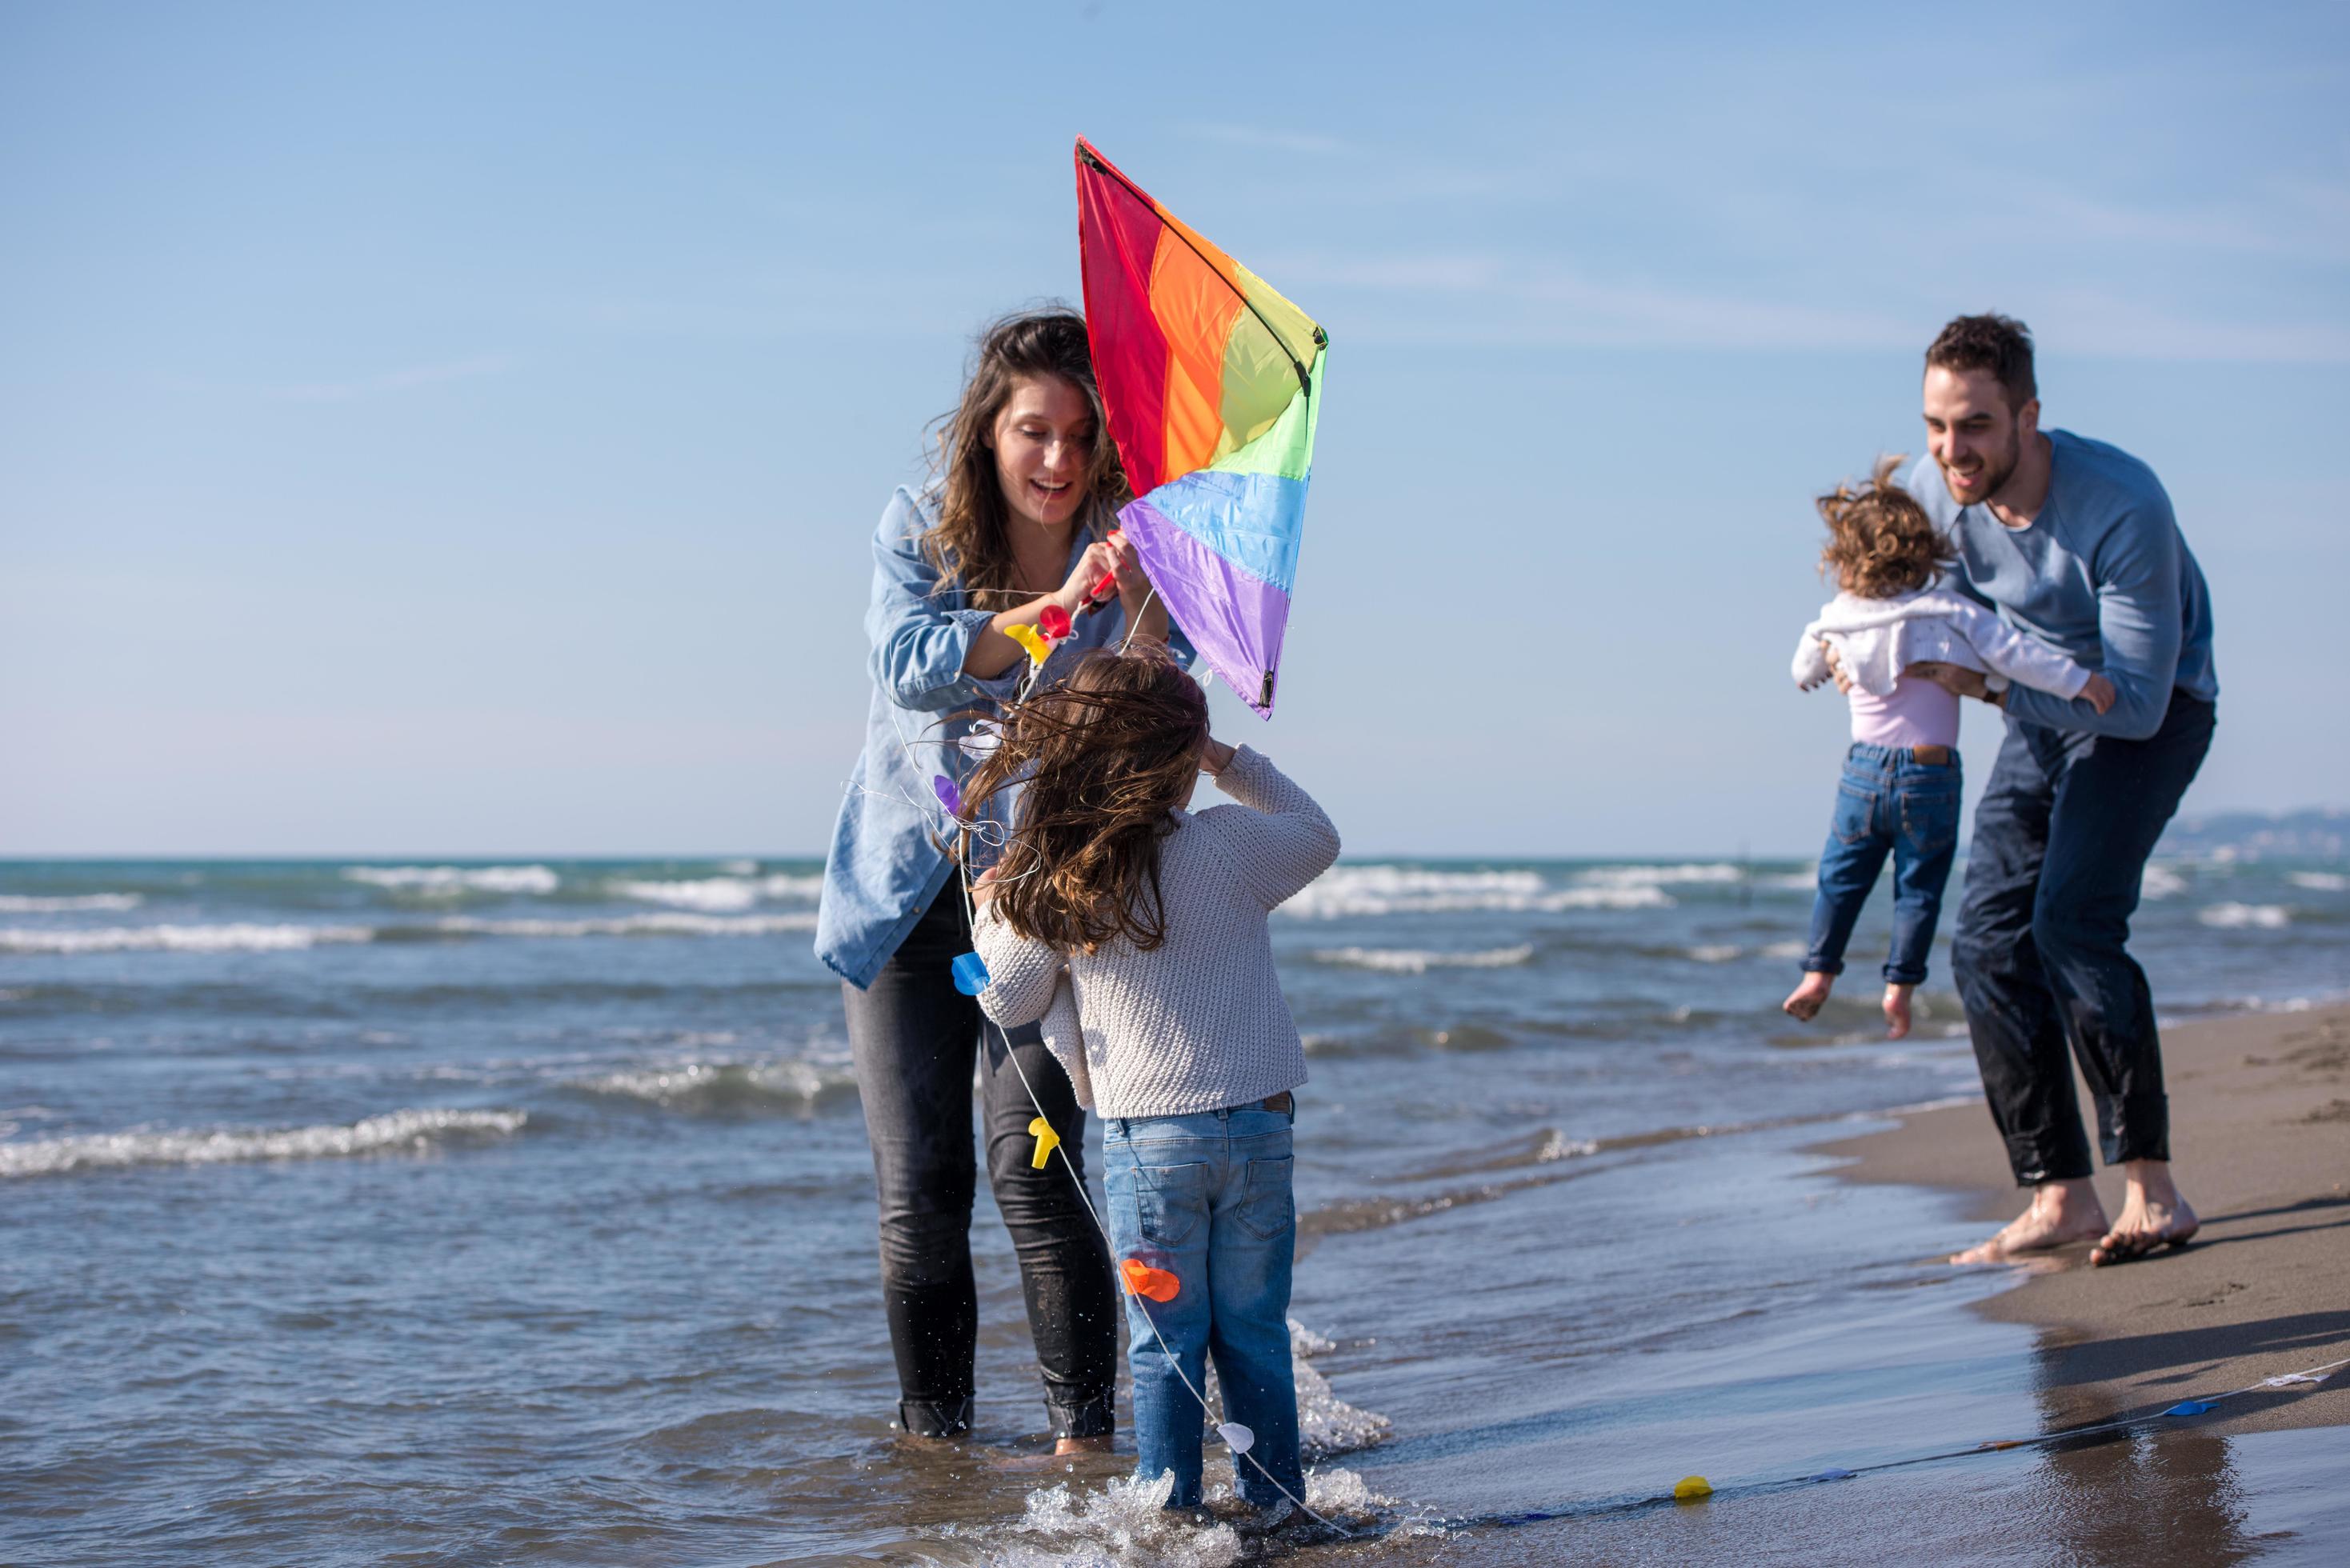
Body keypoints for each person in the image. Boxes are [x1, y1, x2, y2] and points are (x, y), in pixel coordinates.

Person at [815, 308, 1187, 1449]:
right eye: (1033, 431)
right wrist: (1052, 610)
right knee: (920, 1204)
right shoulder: (919, 529)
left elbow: (1157, 727)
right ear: (987, 431)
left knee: (1037, 1177)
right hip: (906, 907)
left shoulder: (1136, 551)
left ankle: (1083, 1452)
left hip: (1045, 914)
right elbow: (907, 665)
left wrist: (1138, 614)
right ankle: (939, 1461)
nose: (1058, 461)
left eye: (1081, 435)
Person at [1842, 314, 2216, 1268]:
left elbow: (2131, 705)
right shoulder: (1934, 491)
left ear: (2028, 415)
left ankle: (2155, 1192)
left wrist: (1986, 684)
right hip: (2041, 716)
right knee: (1987, 946)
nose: (1949, 450)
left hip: (2151, 710)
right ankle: (2062, 1194)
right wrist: (1857, 655)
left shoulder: (2122, 505)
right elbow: (1894, 604)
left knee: (2074, 925)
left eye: (1973, 425)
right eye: (1936, 424)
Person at [962, 649, 1340, 1518]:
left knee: (1167, 1340)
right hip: (1260, 1130)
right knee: (1253, 1332)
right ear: (1181, 751)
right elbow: (1318, 833)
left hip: (1154, 1145)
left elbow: (1008, 996)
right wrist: (1225, 759)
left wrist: (993, 904)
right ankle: (1279, 1500)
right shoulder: (1234, 844)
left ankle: (1170, 1512)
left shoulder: (1064, 875)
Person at [1785, 457, 2114, 1039]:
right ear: (1924, 552)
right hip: (1928, 773)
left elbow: (1801, 668)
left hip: (1861, 774)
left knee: (1839, 879)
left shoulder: (1837, 618)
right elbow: (2017, 654)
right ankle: (1899, 988)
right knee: (1917, 890)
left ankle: (1817, 972)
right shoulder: (1950, 611)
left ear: (1844, 559)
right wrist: (2079, 682)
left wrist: (1816, 669)